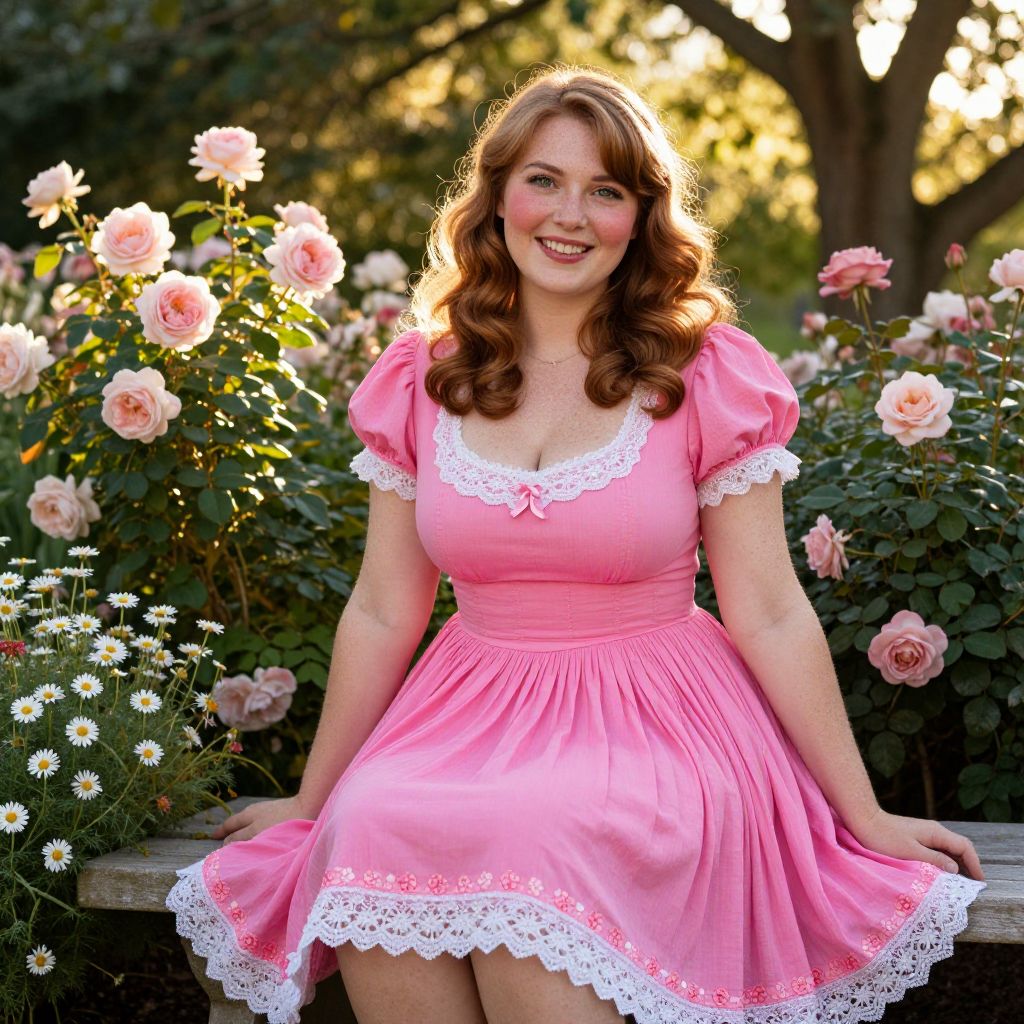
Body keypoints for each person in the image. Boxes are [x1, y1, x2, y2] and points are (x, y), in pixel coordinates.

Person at [166, 64, 987, 1024]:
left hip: (657, 719)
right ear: (498, 195)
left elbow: (767, 609)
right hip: (466, 715)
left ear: (641, 217)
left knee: (538, 835)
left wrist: (865, 813)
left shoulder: (703, 372)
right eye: (544, 180)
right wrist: (312, 801)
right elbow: (386, 608)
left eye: (606, 190)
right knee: (374, 817)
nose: (570, 214)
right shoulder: (423, 376)